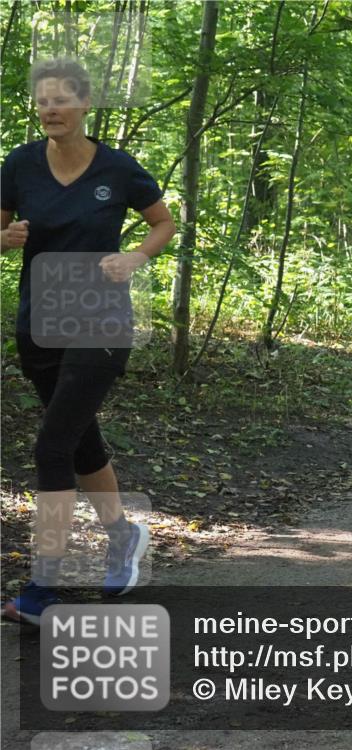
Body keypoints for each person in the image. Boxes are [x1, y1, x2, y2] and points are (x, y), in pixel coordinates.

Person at [1, 59, 176, 624]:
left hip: (101, 323)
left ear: (84, 106)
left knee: (50, 449)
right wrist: (5, 238)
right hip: (39, 323)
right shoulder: (20, 165)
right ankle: (124, 536)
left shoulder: (118, 169)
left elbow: (163, 223)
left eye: (61, 99)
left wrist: (137, 256)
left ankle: (43, 587)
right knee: (79, 444)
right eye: (43, 100)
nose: (50, 108)